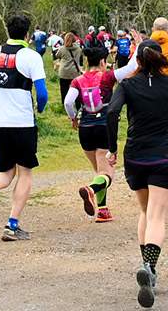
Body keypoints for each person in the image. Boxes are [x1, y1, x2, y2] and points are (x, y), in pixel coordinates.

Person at [103, 39, 168, 308]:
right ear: (160, 59)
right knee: (158, 216)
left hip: (135, 155)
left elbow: (111, 112)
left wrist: (112, 147)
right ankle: (150, 267)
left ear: (139, 59)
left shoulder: (128, 85)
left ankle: (147, 266)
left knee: (144, 212)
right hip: (164, 155)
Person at [0, 15, 48, 241]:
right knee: (25, 173)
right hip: (23, 123)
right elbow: (42, 93)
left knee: (5, 172)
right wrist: (40, 108)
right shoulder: (31, 56)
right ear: (27, 35)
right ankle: (12, 225)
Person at [66, 44, 133, 224]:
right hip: (104, 126)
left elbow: (68, 102)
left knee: (99, 170)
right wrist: (138, 45)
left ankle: (103, 210)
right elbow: (132, 67)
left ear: (87, 60)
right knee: (107, 174)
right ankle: (90, 189)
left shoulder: (77, 80)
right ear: (103, 61)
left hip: (85, 128)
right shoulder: (108, 76)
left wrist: (73, 118)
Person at [55, 32, 84, 102]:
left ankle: (64, 104)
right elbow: (81, 57)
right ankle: (78, 104)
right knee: (76, 89)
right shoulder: (78, 48)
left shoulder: (62, 49)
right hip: (75, 72)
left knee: (64, 90)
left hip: (64, 72)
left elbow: (57, 55)